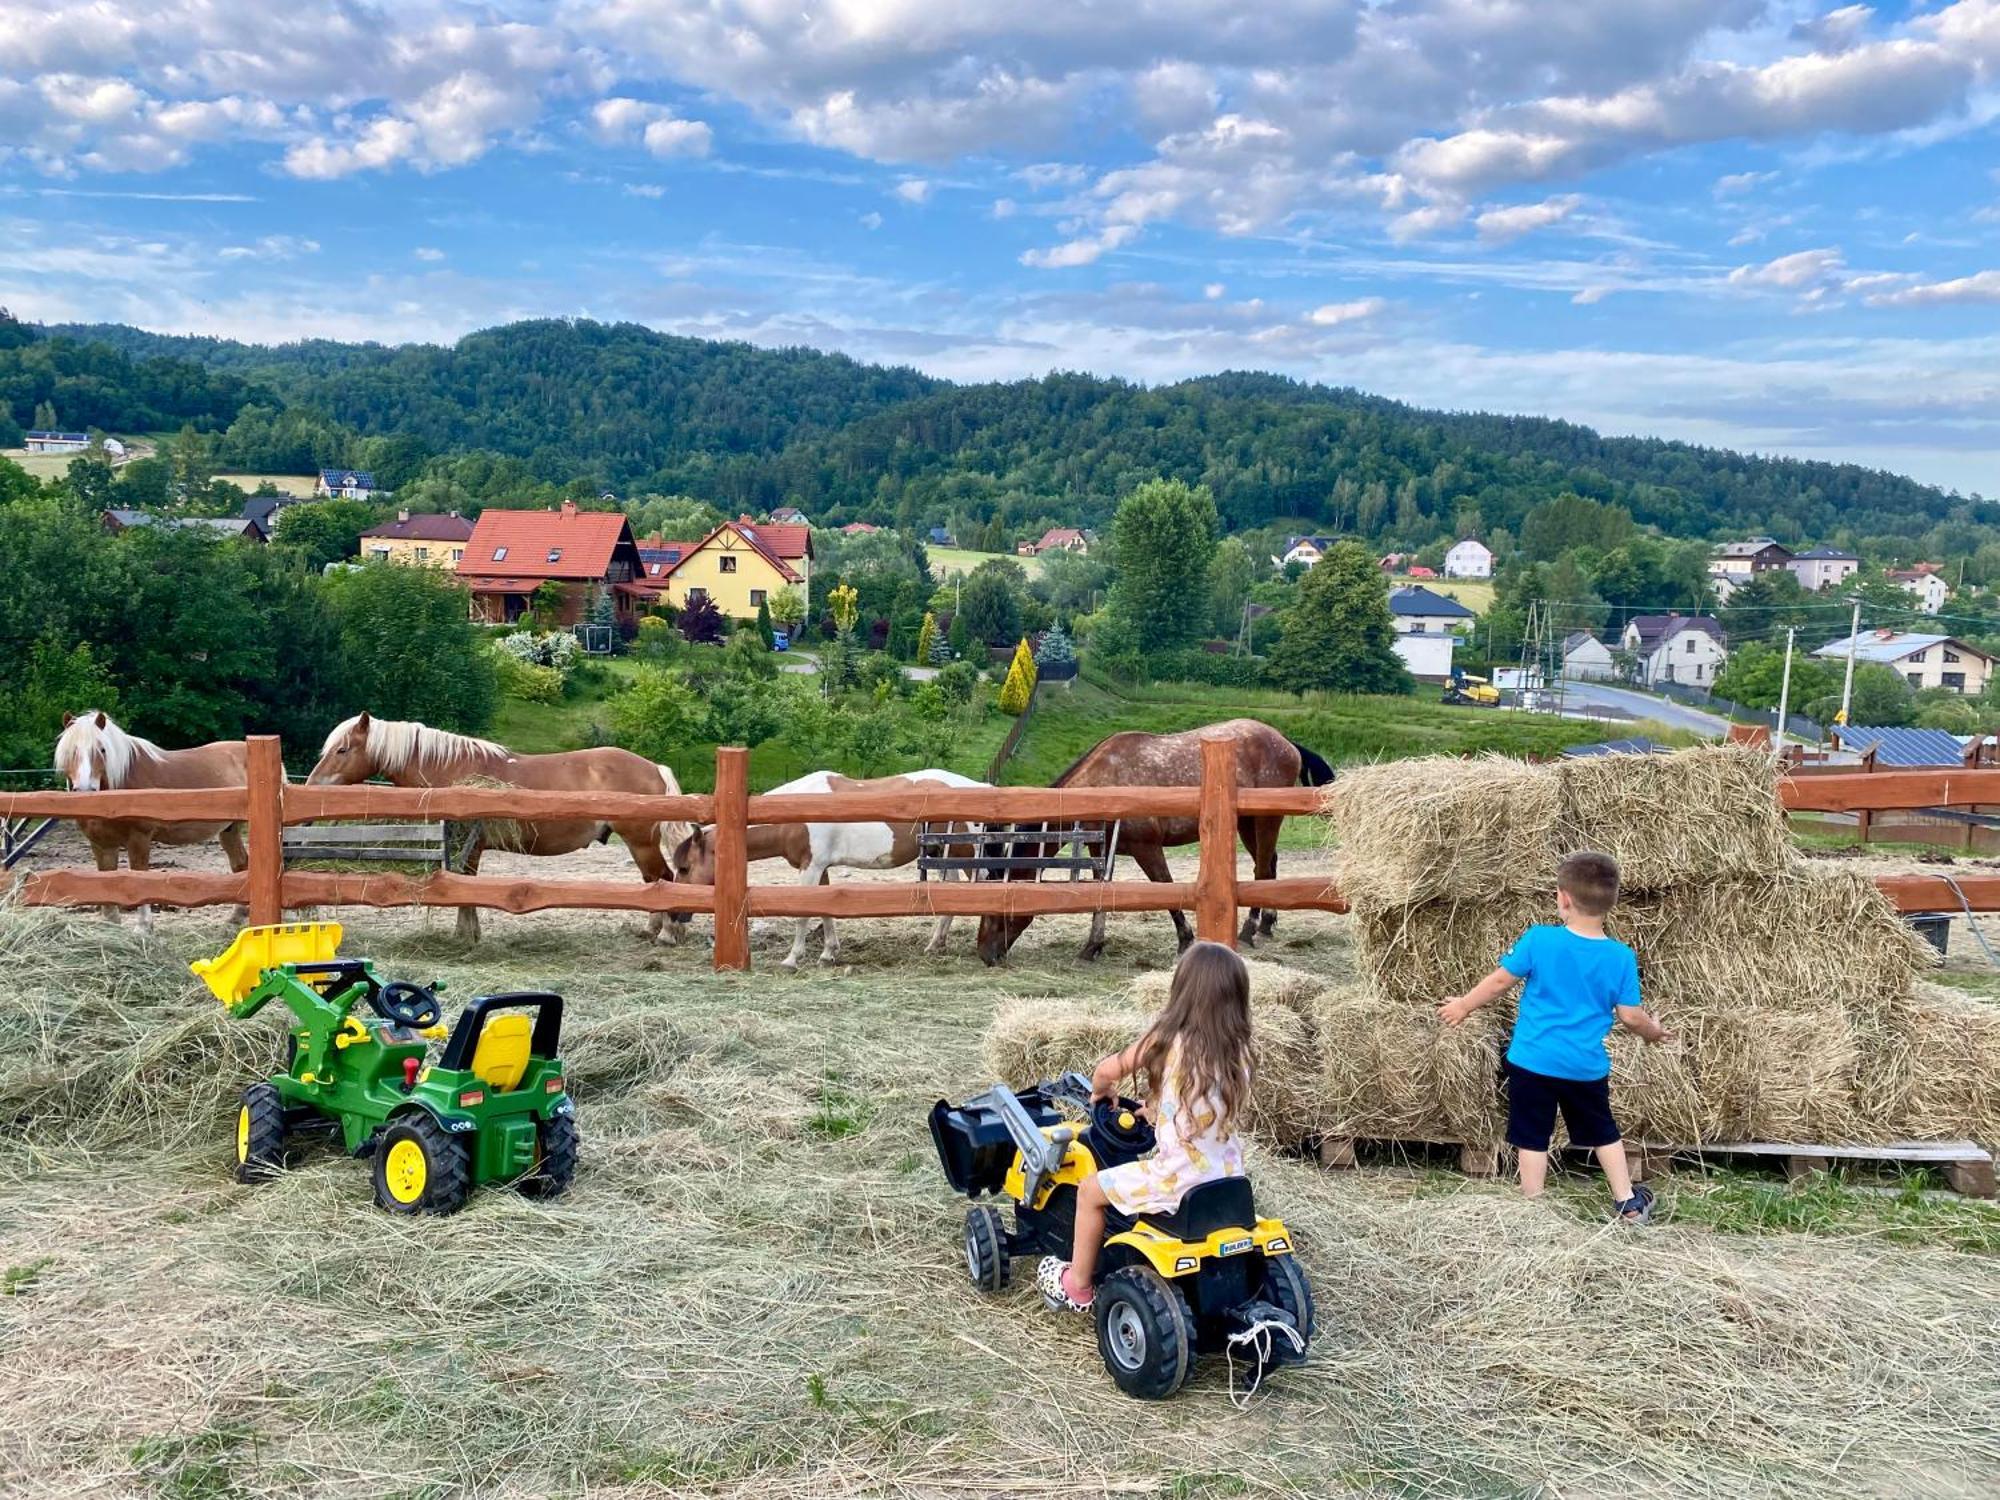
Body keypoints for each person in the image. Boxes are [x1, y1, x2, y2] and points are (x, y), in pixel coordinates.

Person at [1438, 849, 1673, 1222]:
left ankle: (1533, 1206)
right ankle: (1627, 1203)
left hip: (1532, 1060)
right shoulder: (1621, 957)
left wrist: (1464, 1005)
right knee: (1603, 1132)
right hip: (1584, 1067)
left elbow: (1501, 981)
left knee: (1532, 1135)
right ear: (1610, 903)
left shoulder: (1539, 940)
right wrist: (1652, 1032)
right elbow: (1630, 1016)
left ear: (1563, 898)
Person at [1037, 940, 1254, 1311]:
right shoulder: (1239, 1051)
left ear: (1182, 993)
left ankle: (1077, 1284)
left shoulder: (1167, 1039)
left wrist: (1101, 1089)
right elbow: (1199, 1107)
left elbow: (1108, 1070)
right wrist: (1155, 1111)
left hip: (1178, 1180)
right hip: (1228, 1179)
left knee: (1090, 1191)